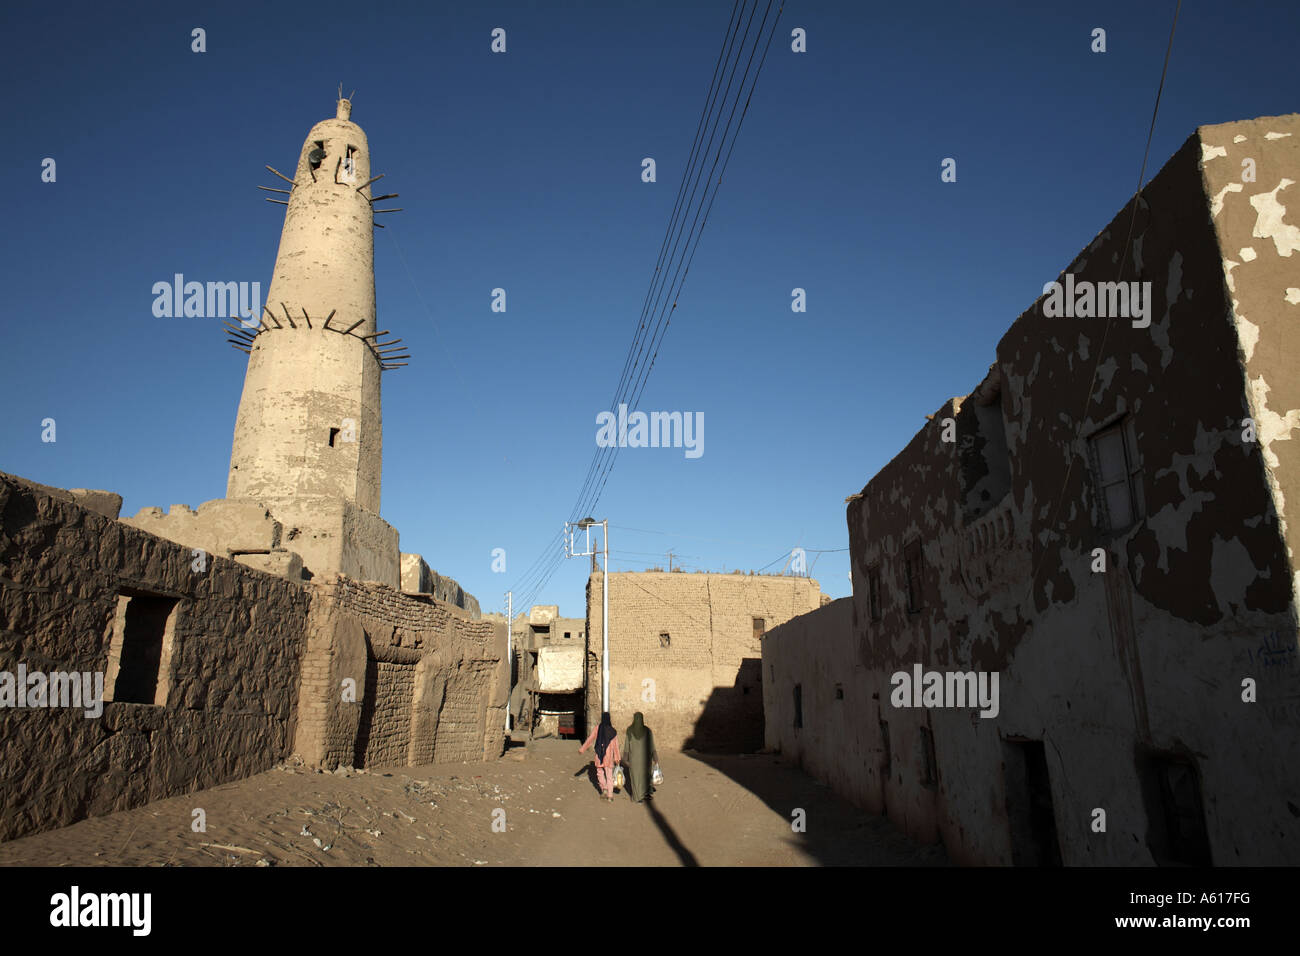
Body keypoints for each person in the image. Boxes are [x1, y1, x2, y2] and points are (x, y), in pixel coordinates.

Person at [578, 712, 621, 801]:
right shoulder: (613, 731)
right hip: (609, 756)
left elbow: (591, 738)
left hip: (599, 754)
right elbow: (616, 746)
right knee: (609, 775)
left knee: (600, 773)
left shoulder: (598, 728)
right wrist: (617, 758)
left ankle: (604, 788)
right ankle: (610, 795)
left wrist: (582, 749)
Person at [622, 711, 658, 803]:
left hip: (634, 759)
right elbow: (652, 746)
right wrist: (655, 757)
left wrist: (625, 758)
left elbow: (627, 745)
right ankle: (645, 793)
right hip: (646, 759)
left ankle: (637, 797)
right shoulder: (648, 731)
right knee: (645, 776)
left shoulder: (629, 730)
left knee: (635, 778)